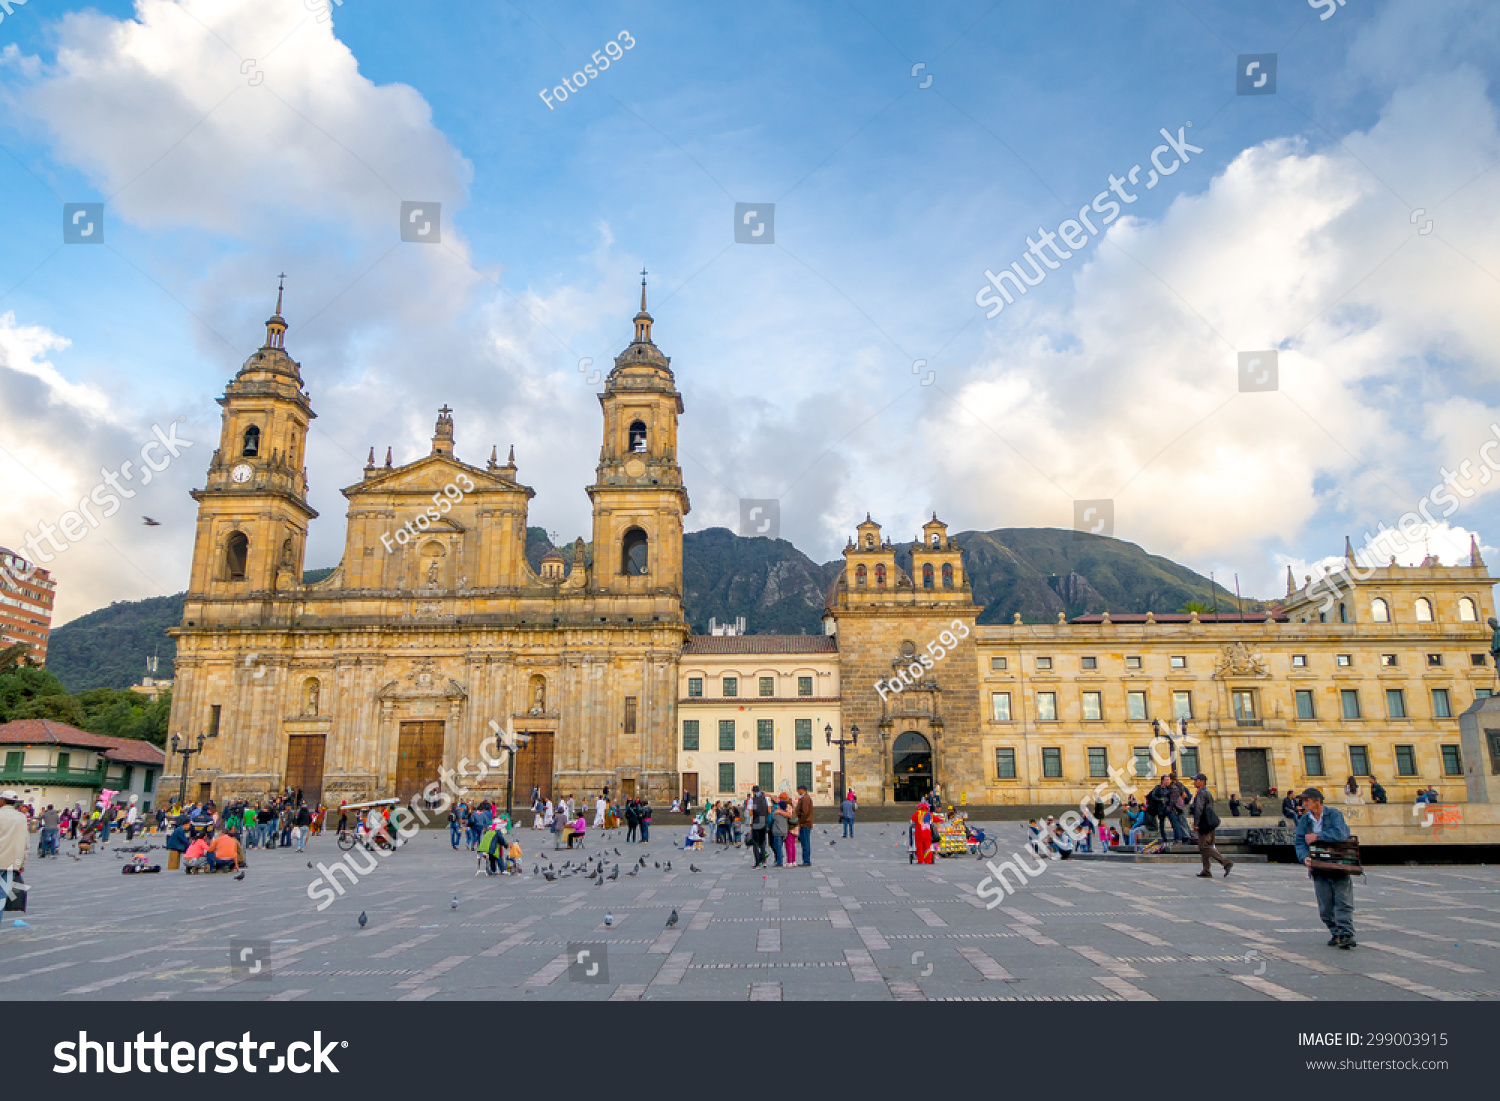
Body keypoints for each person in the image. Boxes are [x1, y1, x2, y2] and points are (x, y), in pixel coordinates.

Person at [1294, 787, 1356, 949]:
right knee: (1325, 906)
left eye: (1307, 800)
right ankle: (1335, 932)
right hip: (1318, 866)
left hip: (1338, 864)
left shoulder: (1333, 814)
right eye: (1303, 800)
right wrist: (1304, 857)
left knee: (1343, 900)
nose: (1304, 803)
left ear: (1317, 801)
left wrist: (1318, 836)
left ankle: (1346, 934)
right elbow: (1300, 841)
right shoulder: (1305, 820)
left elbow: (1341, 834)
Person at [1188, 772, 1233, 878]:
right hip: (1210, 822)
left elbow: (1199, 809)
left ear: (1202, 782)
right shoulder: (1207, 792)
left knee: (1204, 846)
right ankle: (1206, 870)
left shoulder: (1201, 793)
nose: (1194, 782)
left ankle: (1225, 862)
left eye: (1196, 780)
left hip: (1204, 822)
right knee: (1206, 846)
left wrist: (1196, 823)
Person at [0, 791, 27, 923]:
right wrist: (21, 863)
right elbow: (25, 843)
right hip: (12, 864)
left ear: (3, 801)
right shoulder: (21, 817)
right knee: (1, 896)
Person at [748, 786, 770, 867]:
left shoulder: (752, 800)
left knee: (755, 843)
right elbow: (769, 810)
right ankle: (764, 861)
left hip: (756, 822)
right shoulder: (765, 799)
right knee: (762, 842)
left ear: (753, 792)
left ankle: (757, 862)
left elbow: (750, 813)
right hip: (764, 821)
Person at [794, 784, 814, 866]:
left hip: (805, 823)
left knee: (805, 842)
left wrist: (800, 822)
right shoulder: (805, 798)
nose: (798, 792)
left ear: (802, 790)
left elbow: (805, 812)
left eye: (798, 790)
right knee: (804, 842)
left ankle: (806, 861)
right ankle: (806, 860)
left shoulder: (805, 798)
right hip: (805, 823)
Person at [769, 793, 791, 867]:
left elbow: (772, 818)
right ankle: (780, 860)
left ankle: (779, 862)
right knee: (780, 846)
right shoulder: (786, 814)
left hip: (777, 832)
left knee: (778, 847)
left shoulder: (776, 814)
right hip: (784, 832)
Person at [912, 799, 935, 865]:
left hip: (919, 833)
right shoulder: (929, 814)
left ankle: (921, 860)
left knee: (919, 848)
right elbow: (936, 819)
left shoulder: (916, 814)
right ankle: (928, 860)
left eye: (919, 807)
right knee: (927, 847)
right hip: (927, 834)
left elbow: (913, 819)